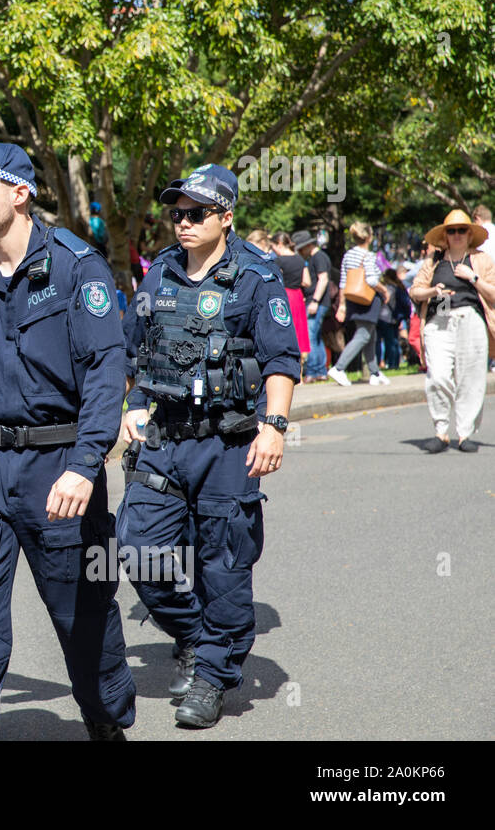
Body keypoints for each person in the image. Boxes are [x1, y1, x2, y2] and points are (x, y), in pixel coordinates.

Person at [0, 142, 137, 741]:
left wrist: (86, 464)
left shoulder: (75, 266)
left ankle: (108, 720)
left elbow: (106, 373)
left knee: (81, 617)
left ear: (19, 192)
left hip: (59, 470)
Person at [120, 164, 298, 730]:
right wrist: (131, 407)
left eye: (197, 213)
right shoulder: (160, 272)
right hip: (164, 437)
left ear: (226, 216)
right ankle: (197, 638)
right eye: (177, 213)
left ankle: (214, 674)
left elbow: (281, 361)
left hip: (229, 443)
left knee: (224, 565)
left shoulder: (256, 276)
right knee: (136, 546)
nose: (184, 222)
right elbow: (133, 353)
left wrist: (274, 425)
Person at [408, 210, 495, 453]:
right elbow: (414, 291)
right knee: (438, 375)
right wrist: (433, 291)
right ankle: (441, 431)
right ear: (445, 236)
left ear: (469, 234)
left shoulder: (481, 260)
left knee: (471, 379)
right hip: (439, 320)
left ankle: (465, 433)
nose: (456, 235)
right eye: (451, 231)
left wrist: (474, 277)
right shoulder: (433, 261)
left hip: (471, 319)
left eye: (461, 230)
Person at [328, 221, 391, 387]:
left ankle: (374, 372)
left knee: (370, 335)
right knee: (364, 335)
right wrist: (384, 290)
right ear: (369, 237)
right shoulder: (368, 256)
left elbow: (343, 281)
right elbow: (371, 279)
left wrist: (342, 304)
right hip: (368, 299)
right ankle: (339, 368)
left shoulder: (348, 255)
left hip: (353, 298)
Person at [293, 230, 333, 381]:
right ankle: (321, 371)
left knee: (310, 337)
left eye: (301, 248)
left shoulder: (318, 258)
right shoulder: (316, 257)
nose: (301, 251)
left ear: (308, 245)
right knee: (316, 337)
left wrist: (315, 301)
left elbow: (323, 279)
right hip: (317, 302)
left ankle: (314, 371)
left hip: (316, 302)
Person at [271, 232, 311, 364]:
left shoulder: (278, 261)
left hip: (285, 295)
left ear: (280, 244)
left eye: (273, 247)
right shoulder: (300, 260)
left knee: (286, 328)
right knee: (300, 329)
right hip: (298, 295)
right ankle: (301, 371)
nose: (273, 250)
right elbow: (307, 282)